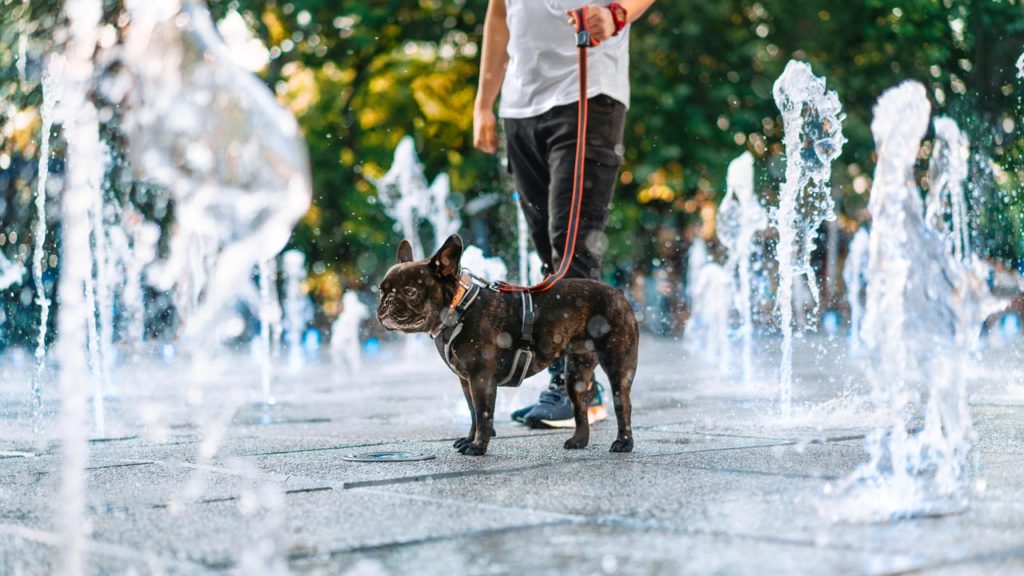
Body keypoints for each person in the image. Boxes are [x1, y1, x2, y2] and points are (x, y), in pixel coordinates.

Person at [474, 0, 655, 428]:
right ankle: (566, 375)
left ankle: (581, 388)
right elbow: (499, 13)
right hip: (521, 107)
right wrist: (484, 101)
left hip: (586, 93)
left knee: (571, 253)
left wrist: (617, 14)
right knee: (550, 256)